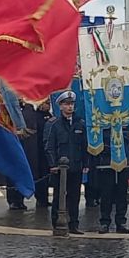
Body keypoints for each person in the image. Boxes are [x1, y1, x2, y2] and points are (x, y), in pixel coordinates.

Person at [44, 91, 87, 235]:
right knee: (58, 196)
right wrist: (52, 164)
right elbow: (49, 146)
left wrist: (85, 164)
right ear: (60, 106)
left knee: (74, 197)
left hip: (75, 166)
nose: (70, 107)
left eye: (71, 104)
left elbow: (84, 146)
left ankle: (74, 224)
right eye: (66, 104)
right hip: (60, 169)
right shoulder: (54, 124)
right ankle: (57, 223)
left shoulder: (80, 123)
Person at [93, 127, 129, 234]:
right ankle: (105, 222)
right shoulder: (103, 126)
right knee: (106, 195)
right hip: (107, 163)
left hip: (123, 163)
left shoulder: (125, 125)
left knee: (122, 195)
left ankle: (121, 221)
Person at [19, 101, 53, 209]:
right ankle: (17, 201)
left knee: (43, 175)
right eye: (45, 103)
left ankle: (43, 199)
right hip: (29, 149)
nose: (47, 105)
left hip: (43, 151)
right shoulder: (28, 114)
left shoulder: (48, 116)